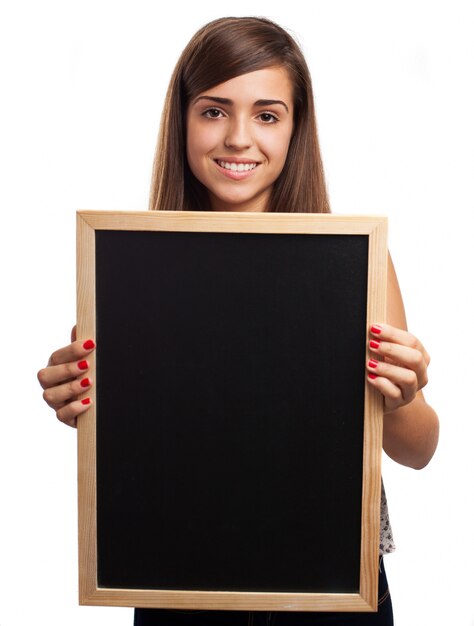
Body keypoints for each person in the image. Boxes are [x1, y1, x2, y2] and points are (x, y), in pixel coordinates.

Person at [37, 16, 439, 626]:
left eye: (267, 114)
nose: (239, 138)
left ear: (295, 129)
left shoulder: (355, 264)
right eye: (215, 110)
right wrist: (83, 401)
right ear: (183, 121)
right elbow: (134, 437)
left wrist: (402, 397)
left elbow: (418, 451)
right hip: (180, 582)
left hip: (329, 585)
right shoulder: (132, 265)